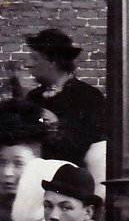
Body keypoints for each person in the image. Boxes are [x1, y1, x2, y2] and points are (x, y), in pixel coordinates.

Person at [23, 27, 107, 167]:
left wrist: (57, 127)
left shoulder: (88, 97)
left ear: (52, 61)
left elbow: (95, 146)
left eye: (34, 58)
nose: (28, 64)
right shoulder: (33, 97)